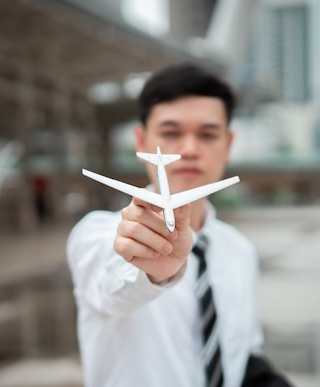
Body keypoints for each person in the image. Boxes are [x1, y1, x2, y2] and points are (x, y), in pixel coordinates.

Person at [67, 64, 292, 387]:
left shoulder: (240, 251)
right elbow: (110, 280)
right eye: (171, 133)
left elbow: (240, 354)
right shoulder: (96, 234)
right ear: (141, 141)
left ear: (228, 145)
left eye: (207, 134)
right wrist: (152, 270)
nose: (188, 150)